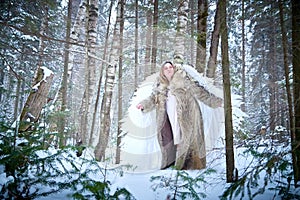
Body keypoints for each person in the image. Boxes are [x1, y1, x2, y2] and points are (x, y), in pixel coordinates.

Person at [136, 61, 222, 170]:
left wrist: (215, 101)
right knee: (169, 140)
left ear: (174, 68)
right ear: (162, 72)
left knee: (186, 140)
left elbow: (199, 91)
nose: (168, 69)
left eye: (170, 67)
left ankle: (189, 168)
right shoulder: (160, 86)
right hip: (169, 118)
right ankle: (171, 167)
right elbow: (153, 98)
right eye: (165, 68)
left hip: (187, 116)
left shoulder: (183, 80)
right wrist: (143, 104)